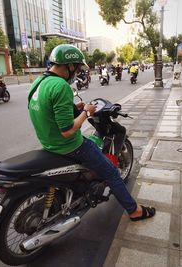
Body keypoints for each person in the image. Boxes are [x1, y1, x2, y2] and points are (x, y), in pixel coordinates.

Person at [28, 44, 156, 221]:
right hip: (69, 145)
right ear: (70, 65)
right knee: (111, 172)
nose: (77, 73)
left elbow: (48, 112)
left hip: (48, 143)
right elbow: (68, 130)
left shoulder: (38, 82)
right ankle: (134, 211)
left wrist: (76, 108)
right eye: (77, 68)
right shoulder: (60, 86)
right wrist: (87, 112)